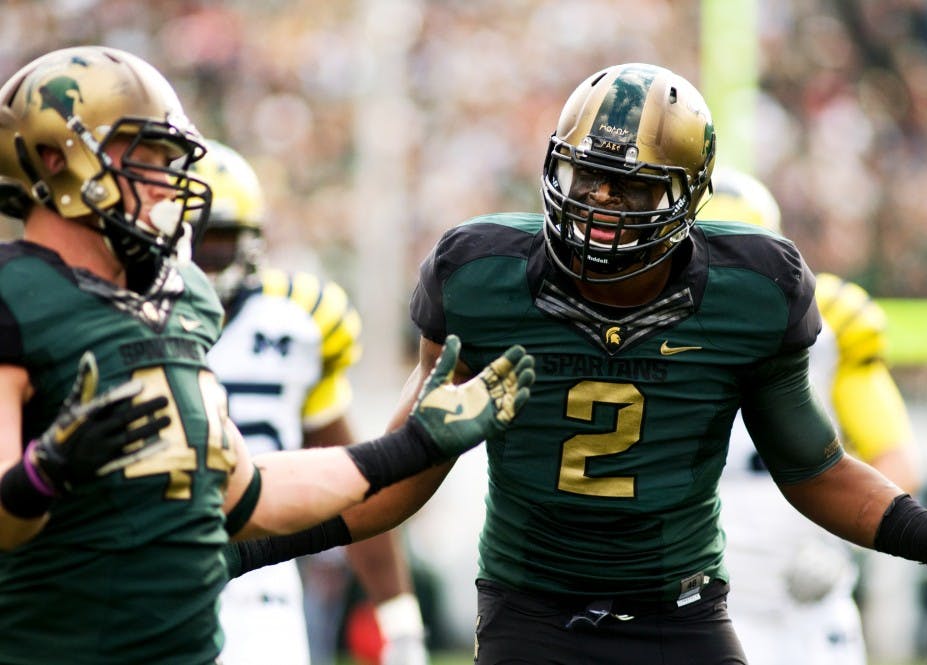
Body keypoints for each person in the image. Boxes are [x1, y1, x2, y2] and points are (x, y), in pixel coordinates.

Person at [223, 62, 927, 664]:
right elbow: (397, 475)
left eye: (626, 187)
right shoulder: (479, 275)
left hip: (681, 612)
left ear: (686, 197)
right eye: (582, 174)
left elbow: (817, 470)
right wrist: (249, 551)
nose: (595, 202)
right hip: (530, 612)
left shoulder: (754, 291)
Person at [0, 45, 534, 665]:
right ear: (53, 159)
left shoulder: (181, 299)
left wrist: (415, 443)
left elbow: (242, 494)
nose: (165, 186)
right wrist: (49, 470)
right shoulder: (15, 296)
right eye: (144, 160)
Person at [189, 140, 430, 665]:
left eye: (218, 241)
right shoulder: (124, 318)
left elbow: (352, 480)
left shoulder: (297, 322)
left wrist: (398, 620)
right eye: (191, 242)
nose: (203, 261)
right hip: (161, 575)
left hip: (262, 591)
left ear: (251, 242)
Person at [702, 167, 922, 665]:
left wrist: (846, 545)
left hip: (804, 584)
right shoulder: (646, 324)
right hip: (697, 587)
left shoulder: (833, 324)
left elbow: (894, 456)